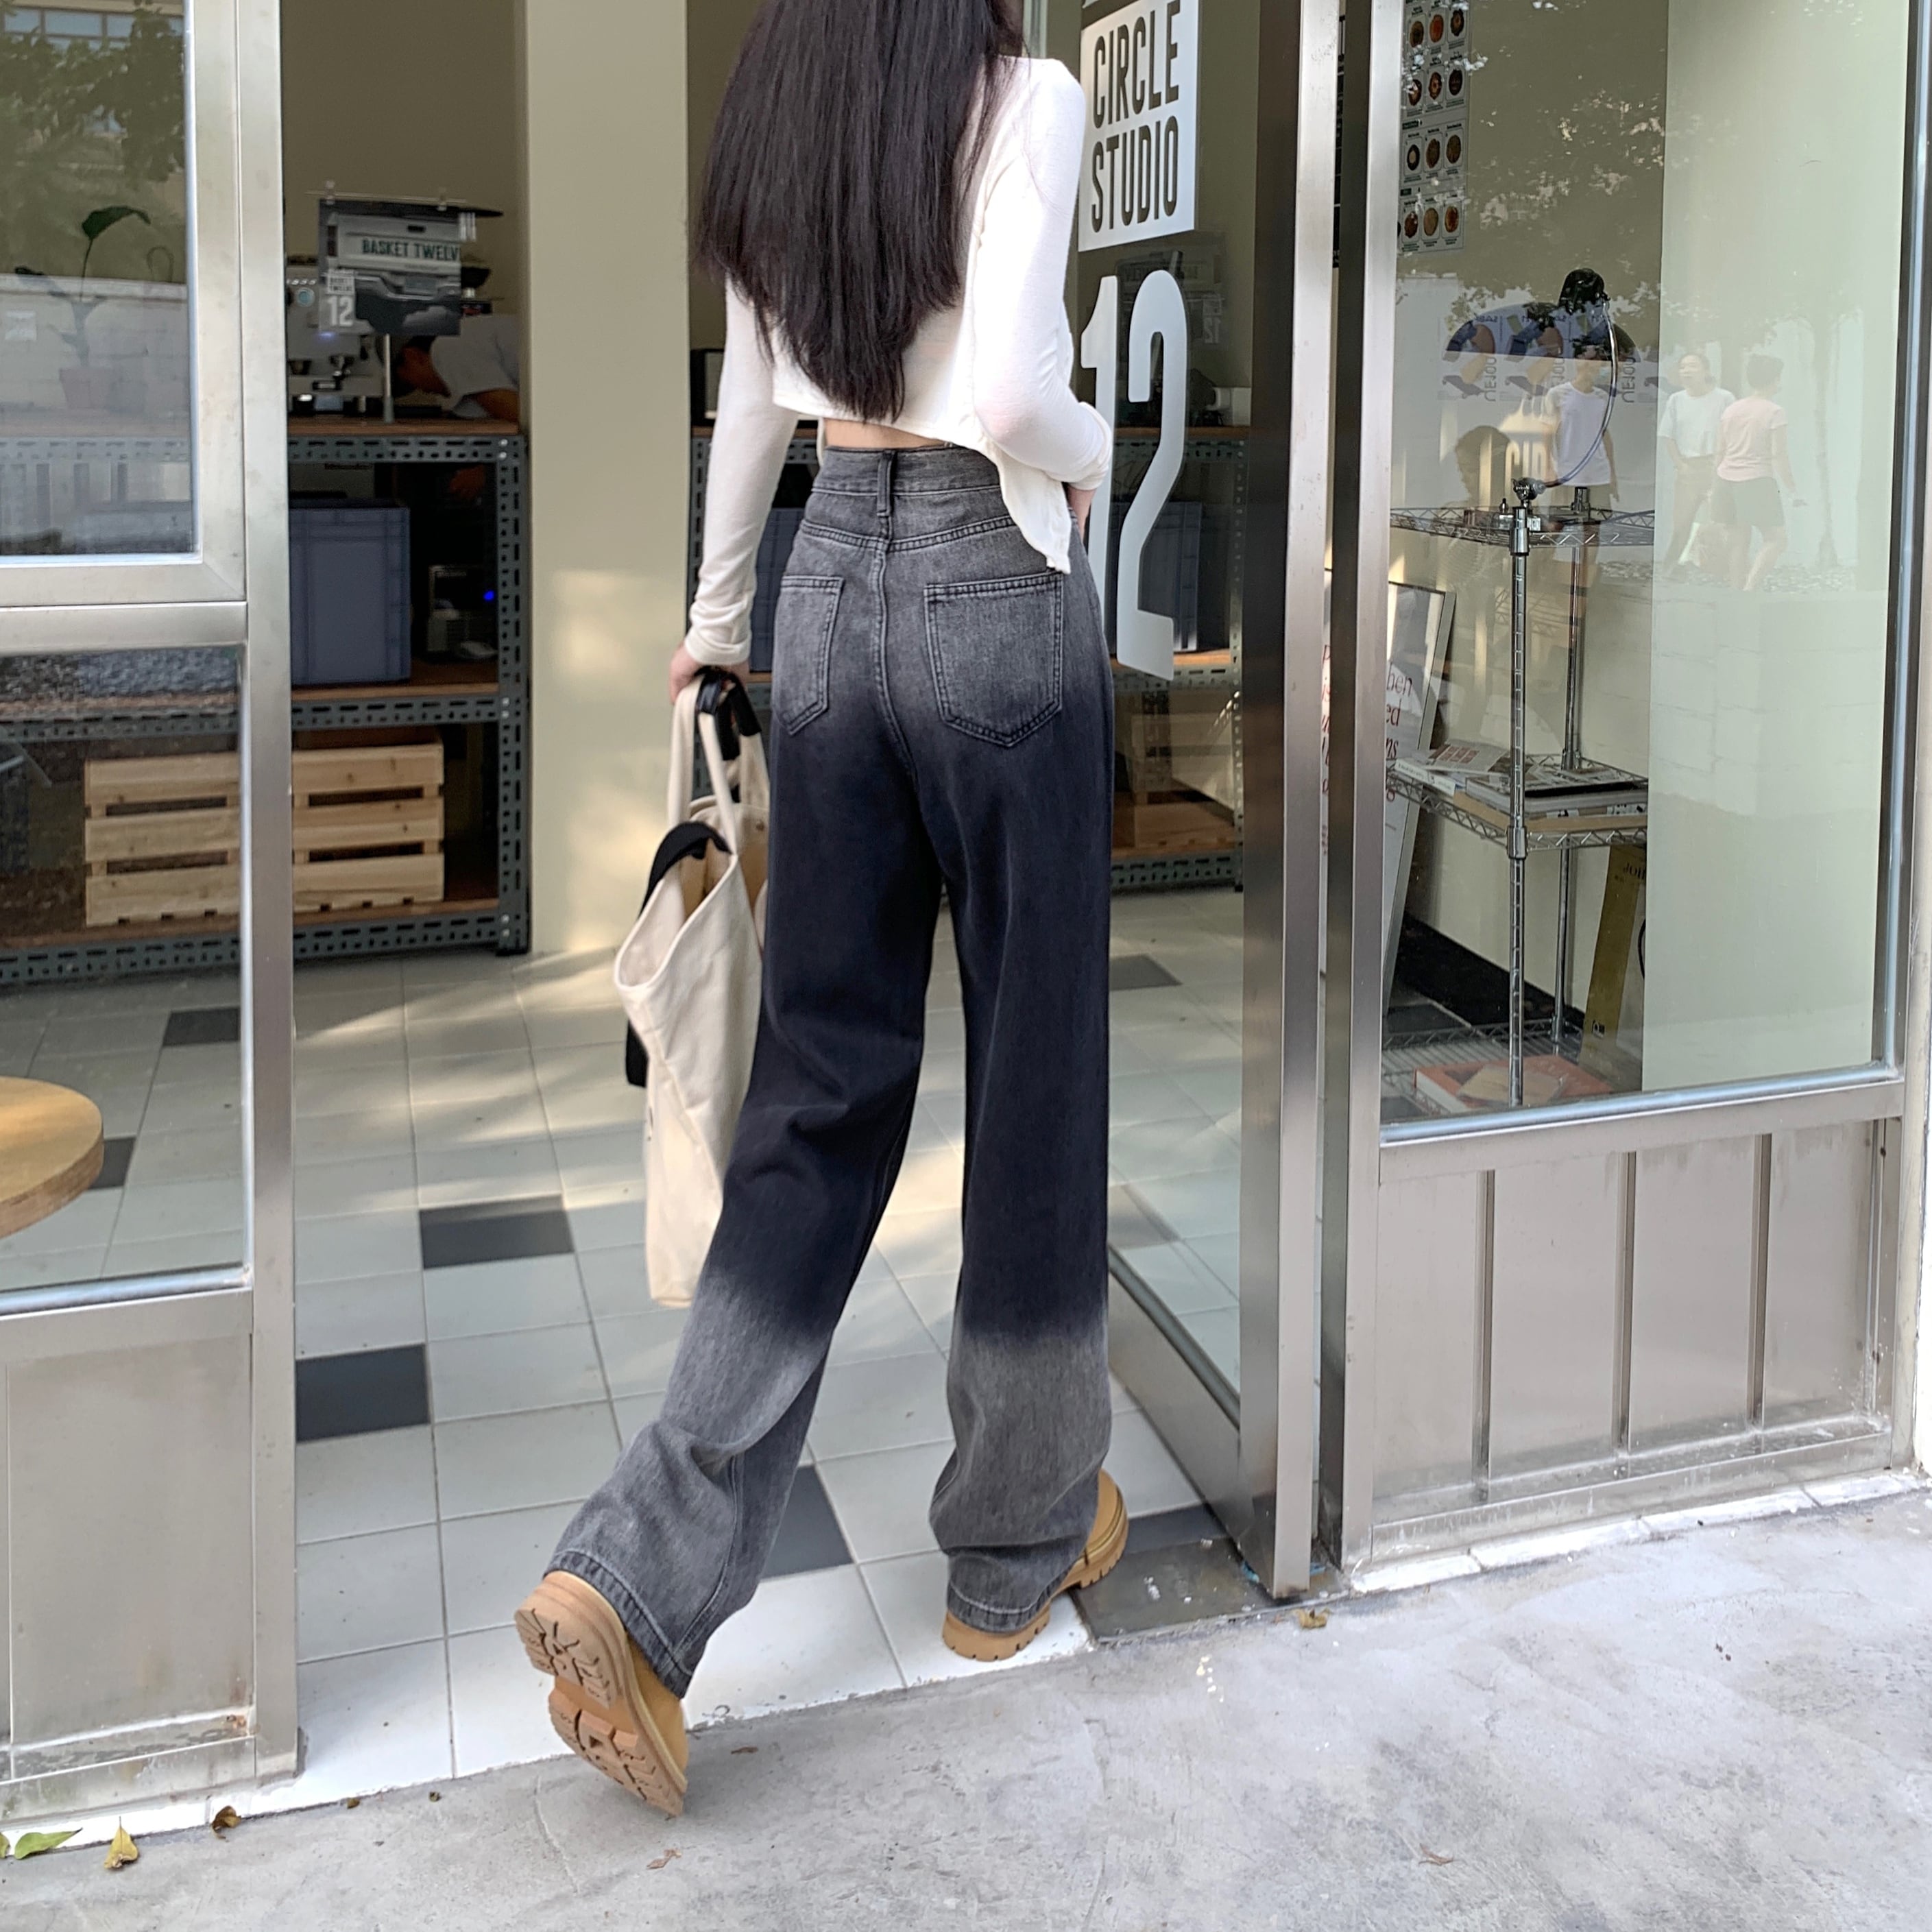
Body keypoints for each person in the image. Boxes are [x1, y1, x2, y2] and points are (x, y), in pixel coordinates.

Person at [514, 0, 1122, 1818]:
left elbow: (750, 398)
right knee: (1033, 1079)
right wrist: (1096, 446)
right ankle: (1011, 1547)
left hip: (827, 578)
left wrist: (715, 623)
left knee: (817, 1097)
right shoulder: (1027, 94)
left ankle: (638, 1581)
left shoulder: (779, 103)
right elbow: (1009, 396)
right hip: (994, 573)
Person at [1712, 353, 1801, 592]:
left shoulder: (1732, 410)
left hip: (1725, 479)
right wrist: (1792, 489)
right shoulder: (1774, 412)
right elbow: (1778, 454)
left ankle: (1736, 595)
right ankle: (1750, 590)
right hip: (1756, 480)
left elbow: (1720, 451)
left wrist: (1713, 485)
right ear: (1775, 379)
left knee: (1738, 541)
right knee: (1776, 539)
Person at [1658, 351, 1735, 575]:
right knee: (1682, 523)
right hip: (1689, 467)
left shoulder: (1724, 398)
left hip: (1717, 465)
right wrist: (1680, 465)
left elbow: (1733, 433)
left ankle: (1728, 571)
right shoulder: (1676, 400)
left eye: (1692, 366)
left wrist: (1723, 465)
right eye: (1683, 367)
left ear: (1706, 371)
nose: (1687, 371)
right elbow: (1667, 435)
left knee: (1723, 521)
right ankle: (1671, 569)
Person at [392, 311, 520, 422]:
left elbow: (513, 412)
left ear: (412, 356)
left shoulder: (446, 346)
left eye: (410, 383)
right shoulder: (467, 334)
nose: (424, 390)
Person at [1540, 339, 1619, 509]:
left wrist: (1612, 473)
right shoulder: (1558, 394)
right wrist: (1548, 468)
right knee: (1560, 520)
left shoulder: (1602, 397)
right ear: (1578, 361)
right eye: (1590, 360)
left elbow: (1605, 435)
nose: (1594, 365)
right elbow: (1547, 433)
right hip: (1568, 473)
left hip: (1599, 474)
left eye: (1598, 361)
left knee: (1595, 522)